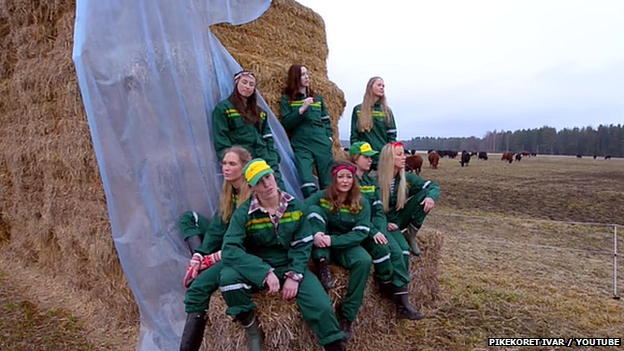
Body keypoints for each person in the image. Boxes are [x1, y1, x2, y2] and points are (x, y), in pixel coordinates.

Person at [218, 158, 347, 351]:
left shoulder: (296, 207)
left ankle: (334, 346)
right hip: (259, 265)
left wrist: (294, 276)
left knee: (322, 306)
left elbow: (303, 244)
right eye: (259, 182)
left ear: (273, 175)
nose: (267, 184)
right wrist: (264, 272)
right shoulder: (244, 213)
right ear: (252, 188)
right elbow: (230, 249)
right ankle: (252, 330)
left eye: (268, 177)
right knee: (228, 279)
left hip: (289, 263)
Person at [178, 146, 252, 351]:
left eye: (232, 164)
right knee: (189, 219)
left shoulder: (254, 194)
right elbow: (217, 229)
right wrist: (200, 255)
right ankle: (200, 264)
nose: (225, 168)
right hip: (228, 246)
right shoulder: (229, 192)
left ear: (245, 167)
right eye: (224, 163)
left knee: (197, 290)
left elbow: (252, 240)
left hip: (244, 254)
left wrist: (218, 256)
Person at [349, 142, 424, 320]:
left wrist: (381, 229)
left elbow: (378, 210)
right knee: (395, 253)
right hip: (361, 230)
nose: (370, 160)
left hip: (377, 227)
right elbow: (354, 216)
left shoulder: (368, 181)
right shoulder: (349, 182)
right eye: (366, 157)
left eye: (370, 157)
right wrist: (375, 231)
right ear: (355, 158)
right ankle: (394, 296)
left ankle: (400, 299)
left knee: (402, 251)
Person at [304, 162, 373, 340]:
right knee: (313, 210)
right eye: (341, 177)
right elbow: (302, 208)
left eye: (349, 177)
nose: (345, 180)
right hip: (321, 242)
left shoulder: (361, 201)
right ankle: (322, 265)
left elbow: (361, 233)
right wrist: (316, 233)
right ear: (334, 179)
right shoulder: (322, 196)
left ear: (354, 179)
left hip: (344, 243)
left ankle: (347, 316)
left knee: (364, 261)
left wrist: (332, 240)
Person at [213, 70, 285, 189]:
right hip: (244, 160)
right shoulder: (224, 109)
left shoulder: (260, 112)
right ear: (236, 84)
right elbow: (221, 138)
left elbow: (268, 137)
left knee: (277, 189)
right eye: (244, 82)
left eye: (252, 85)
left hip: (265, 158)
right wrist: (231, 162)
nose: (247, 87)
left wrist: (272, 155)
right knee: (248, 193)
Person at [280, 64, 334, 198]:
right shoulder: (287, 99)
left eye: (307, 74)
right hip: (301, 144)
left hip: (321, 142)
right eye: (303, 74)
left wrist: (329, 138)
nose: (306, 77)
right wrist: (301, 110)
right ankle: (312, 205)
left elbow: (326, 120)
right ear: (295, 77)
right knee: (306, 179)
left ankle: (327, 208)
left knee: (328, 180)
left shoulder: (317, 98)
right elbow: (287, 123)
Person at [378, 142, 440, 257]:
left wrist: (431, 197)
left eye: (403, 154)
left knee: (425, 193)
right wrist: (384, 223)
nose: (404, 157)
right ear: (389, 158)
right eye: (399, 154)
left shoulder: (407, 178)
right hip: (382, 221)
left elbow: (433, 186)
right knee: (401, 252)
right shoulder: (375, 180)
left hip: (400, 217)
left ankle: (410, 234)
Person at [349, 77, 397, 170]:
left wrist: (389, 156)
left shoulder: (387, 111)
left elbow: (392, 137)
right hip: (364, 160)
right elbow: (354, 135)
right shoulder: (358, 110)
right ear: (370, 87)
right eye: (379, 85)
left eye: (383, 86)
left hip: (382, 160)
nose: (382, 88)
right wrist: (357, 156)